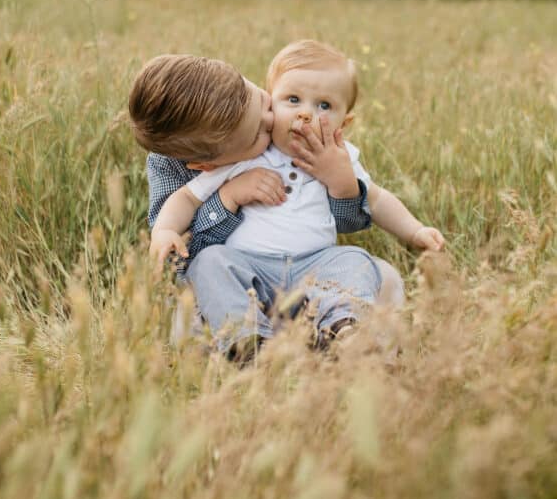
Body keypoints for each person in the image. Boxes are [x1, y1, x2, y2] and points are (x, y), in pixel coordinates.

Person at [130, 42, 445, 353]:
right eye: (291, 101)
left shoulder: (332, 153)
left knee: (359, 263)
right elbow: (184, 222)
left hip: (314, 269)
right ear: (207, 163)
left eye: (266, 104)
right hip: (249, 275)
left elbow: (373, 203)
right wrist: (174, 226)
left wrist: (348, 187)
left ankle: (343, 331)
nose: (300, 116)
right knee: (208, 268)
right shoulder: (224, 162)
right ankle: (248, 341)